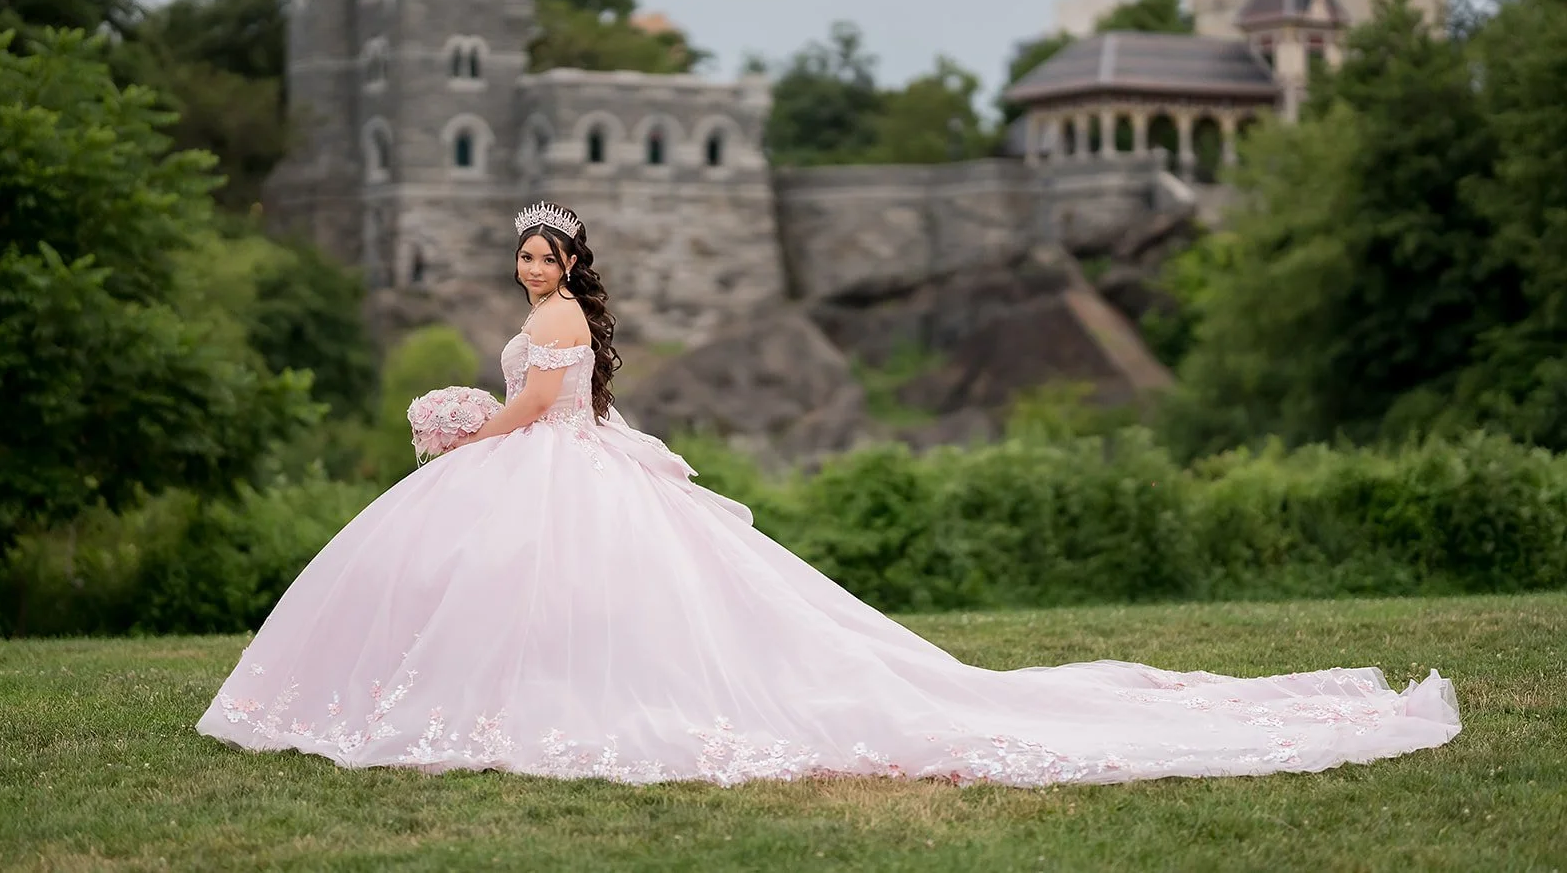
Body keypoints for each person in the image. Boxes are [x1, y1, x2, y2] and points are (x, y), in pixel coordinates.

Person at [198, 201, 1461, 786]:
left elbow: (539, 405)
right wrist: (483, 421)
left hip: (549, 460)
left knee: (581, 593)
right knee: (518, 595)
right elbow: (551, 398)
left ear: (573, 262)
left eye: (547, 252)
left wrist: (471, 427)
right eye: (525, 252)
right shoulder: (546, 313)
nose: (532, 265)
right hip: (555, 458)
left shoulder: (562, 319)